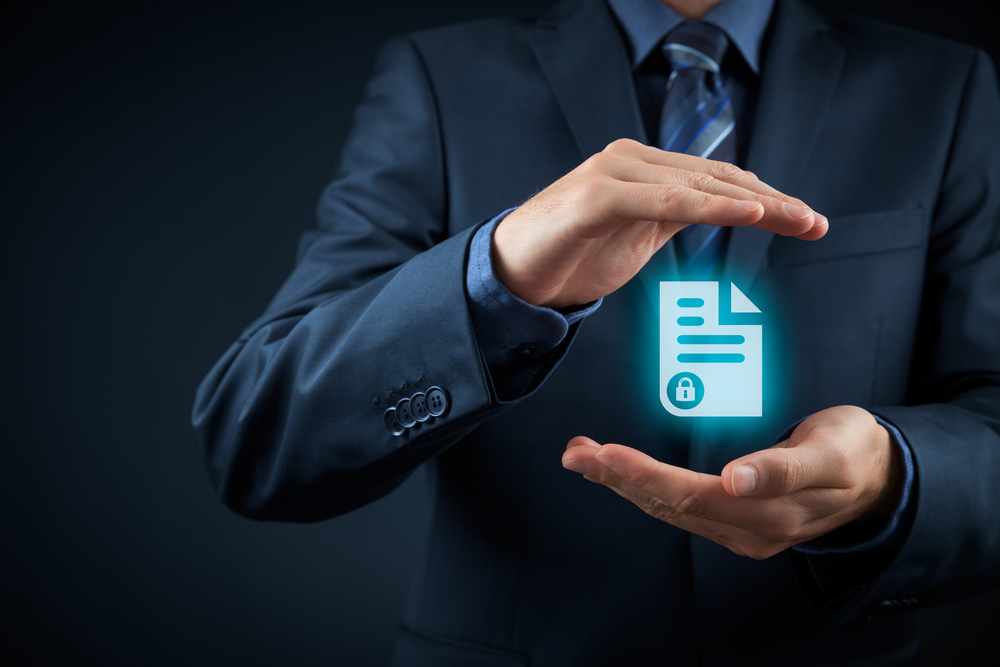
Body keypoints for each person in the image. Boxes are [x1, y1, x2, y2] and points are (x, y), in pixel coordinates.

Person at [192, 0, 1000, 663]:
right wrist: (495, 277)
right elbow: (257, 441)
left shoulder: (943, 85)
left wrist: (893, 477)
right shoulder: (442, 79)